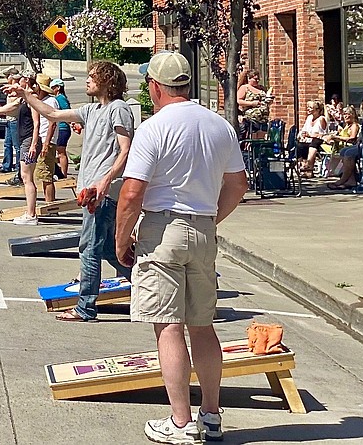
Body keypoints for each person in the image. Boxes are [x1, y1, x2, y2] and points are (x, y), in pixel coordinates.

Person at [116, 52, 248, 444]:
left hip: (163, 227)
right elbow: (238, 184)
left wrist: (123, 241)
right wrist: (209, 220)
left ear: (155, 86)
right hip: (203, 226)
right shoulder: (219, 125)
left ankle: (180, 421)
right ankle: (211, 414)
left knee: (168, 327)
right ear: (187, 84)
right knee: (202, 326)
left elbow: (132, 193)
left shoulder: (154, 128)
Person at [17, 62, 134, 322]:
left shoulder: (119, 109)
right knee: (108, 249)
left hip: (102, 194)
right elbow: (53, 115)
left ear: (107, 81)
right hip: (91, 192)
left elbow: (125, 150)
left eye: (92, 78)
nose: (87, 81)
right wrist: (27, 95)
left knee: (89, 248)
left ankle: (85, 308)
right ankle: (143, 280)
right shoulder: (92, 110)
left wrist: (105, 181)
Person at [0, 72, 41, 224]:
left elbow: (37, 123)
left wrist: (33, 145)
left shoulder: (32, 99)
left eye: (21, 81)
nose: (18, 83)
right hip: (25, 140)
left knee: (27, 179)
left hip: (28, 142)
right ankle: (30, 212)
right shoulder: (23, 99)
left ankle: (31, 215)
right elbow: (1, 110)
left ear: (27, 81)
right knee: (27, 178)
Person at [33, 74, 58, 202]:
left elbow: (52, 123)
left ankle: (50, 203)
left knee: (47, 174)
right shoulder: (42, 101)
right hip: (42, 140)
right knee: (43, 174)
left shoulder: (51, 101)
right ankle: (48, 201)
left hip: (47, 141)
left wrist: (46, 143)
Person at [0, 68, 22, 174]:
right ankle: (6, 166)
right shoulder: (10, 88)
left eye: (7, 76)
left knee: (17, 146)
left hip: (15, 120)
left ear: (12, 77)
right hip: (9, 119)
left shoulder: (18, 89)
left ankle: (19, 168)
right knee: (7, 144)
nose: (6, 79)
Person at [329, 106, 362, 189]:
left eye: (348, 114)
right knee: (344, 151)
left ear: (353, 115)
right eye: (344, 114)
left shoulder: (354, 125)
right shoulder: (347, 126)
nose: (345, 116)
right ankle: (351, 180)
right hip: (346, 147)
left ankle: (343, 179)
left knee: (348, 152)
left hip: (357, 146)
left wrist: (336, 137)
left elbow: (352, 138)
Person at [236, 70, 271, 139]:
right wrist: (252, 103)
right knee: (252, 136)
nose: (257, 80)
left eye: (258, 78)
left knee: (262, 137)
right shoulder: (245, 88)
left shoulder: (262, 88)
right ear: (249, 78)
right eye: (255, 79)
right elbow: (239, 101)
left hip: (263, 119)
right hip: (251, 119)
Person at [296, 101, 327, 175]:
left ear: (317, 110)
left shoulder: (321, 119)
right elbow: (304, 129)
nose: (308, 109)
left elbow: (323, 134)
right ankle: (304, 166)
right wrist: (301, 135)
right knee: (299, 145)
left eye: (311, 108)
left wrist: (310, 135)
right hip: (309, 140)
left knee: (314, 143)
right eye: (308, 107)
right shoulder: (309, 118)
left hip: (319, 140)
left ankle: (310, 167)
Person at [50, 79, 72, 178]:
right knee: (58, 151)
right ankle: (59, 172)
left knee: (61, 151)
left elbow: (67, 112)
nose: (52, 90)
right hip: (60, 127)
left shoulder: (61, 98)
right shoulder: (57, 98)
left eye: (53, 87)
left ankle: (63, 174)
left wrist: (71, 123)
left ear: (58, 88)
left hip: (63, 128)